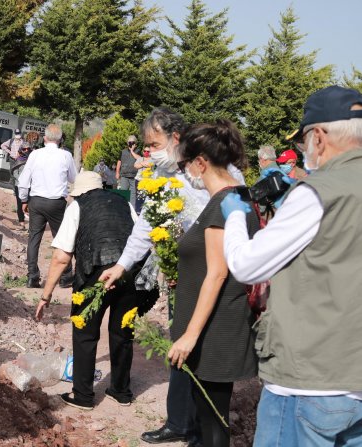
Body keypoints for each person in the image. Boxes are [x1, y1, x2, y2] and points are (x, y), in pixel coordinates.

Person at [221, 85, 362, 446]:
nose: (304, 151)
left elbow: (248, 265)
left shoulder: (318, 192)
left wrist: (236, 218)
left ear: (319, 136)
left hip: (309, 380)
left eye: (302, 142)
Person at [99, 107, 245, 445]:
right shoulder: (168, 183)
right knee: (181, 345)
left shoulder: (218, 172)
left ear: (176, 138)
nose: (150, 152)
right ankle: (179, 422)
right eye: (147, 147)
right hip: (186, 279)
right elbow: (145, 229)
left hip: (221, 278)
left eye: (154, 144)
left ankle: (206, 430)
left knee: (209, 354)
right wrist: (122, 265)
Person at [166, 120, 259, 447]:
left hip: (213, 334)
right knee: (207, 423)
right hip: (213, 329)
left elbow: (218, 273)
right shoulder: (236, 196)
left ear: (201, 162)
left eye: (186, 163)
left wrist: (190, 336)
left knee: (213, 426)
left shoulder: (224, 203)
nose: (186, 170)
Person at [35, 171, 158, 410]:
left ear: (79, 192)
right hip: (131, 271)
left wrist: (46, 295)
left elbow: (61, 257)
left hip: (97, 271)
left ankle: (83, 395)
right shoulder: (124, 203)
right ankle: (121, 391)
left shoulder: (77, 206)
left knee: (85, 332)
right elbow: (140, 238)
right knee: (122, 331)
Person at [18, 124, 77, 289]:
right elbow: (74, 178)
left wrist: (24, 200)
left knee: (34, 238)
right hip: (57, 202)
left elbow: (23, 181)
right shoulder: (66, 155)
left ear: (44, 138)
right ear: (60, 140)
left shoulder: (35, 154)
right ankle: (65, 276)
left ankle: (32, 277)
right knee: (62, 239)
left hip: (36, 201)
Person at [2, 128, 29, 227]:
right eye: (16, 134)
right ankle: (15, 189)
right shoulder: (11, 140)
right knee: (13, 176)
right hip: (14, 160)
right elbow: (3, 145)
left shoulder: (23, 142)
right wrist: (10, 152)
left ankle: (24, 216)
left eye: (19, 134)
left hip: (21, 161)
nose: (18, 135)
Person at [115, 135, 141, 206]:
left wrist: (132, 151)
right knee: (123, 192)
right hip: (124, 175)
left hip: (134, 176)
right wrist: (117, 172)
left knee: (133, 193)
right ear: (127, 143)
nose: (131, 144)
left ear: (135, 143)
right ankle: (122, 207)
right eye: (129, 142)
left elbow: (139, 159)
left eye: (132, 142)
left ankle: (132, 209)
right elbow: (119, 161)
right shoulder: (123, 151)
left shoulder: (138, 151)